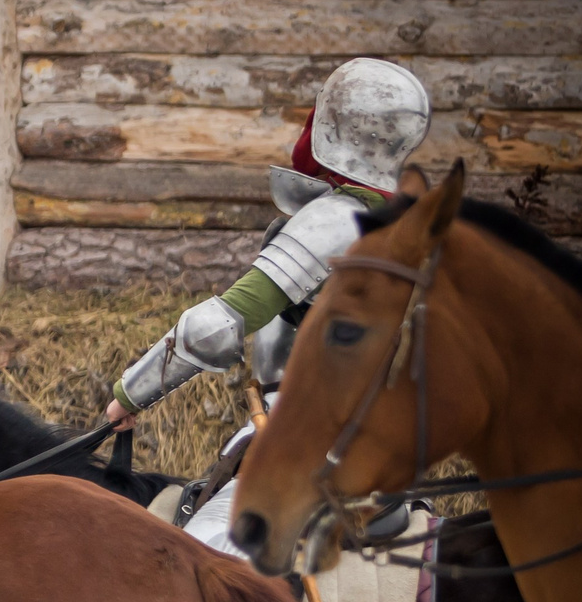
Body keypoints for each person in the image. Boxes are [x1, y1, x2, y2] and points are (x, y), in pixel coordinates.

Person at [104, 58, 431, 555]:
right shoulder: (401, 225)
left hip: (311, 439)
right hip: (363, 437)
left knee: (199, 564)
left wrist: (128, 395)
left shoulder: (337, 220)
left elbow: (214, 327)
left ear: (333, 126)